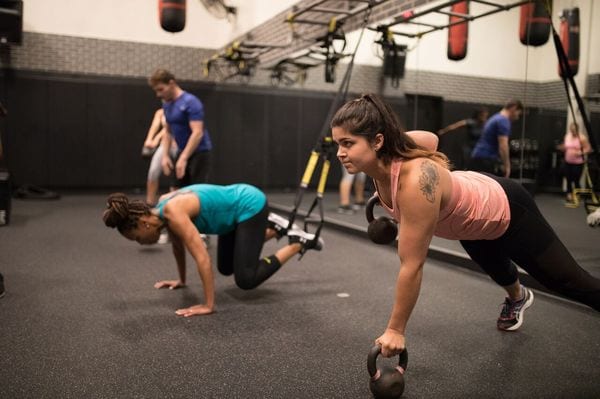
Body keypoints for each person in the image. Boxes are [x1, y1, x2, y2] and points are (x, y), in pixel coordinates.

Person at [330, 93, 600, 358]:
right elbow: (431, 139)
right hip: (467, 223)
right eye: (337, 144)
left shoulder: (415, 183)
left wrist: (395, 330)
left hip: (507, 208)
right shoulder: (383, 165)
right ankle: (517, 297)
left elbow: (412, 265)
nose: (340, 153)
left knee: (566, 281)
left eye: (348, 143)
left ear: (377, 141)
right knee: (497, 268)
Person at [102, 184, 323, 317]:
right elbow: (178, 246)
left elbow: (202, 257)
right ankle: (275, 228)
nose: (141, 244)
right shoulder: (162, 209)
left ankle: (297, 242)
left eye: (138, 239)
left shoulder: (173, 211)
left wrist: (208, 305)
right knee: (226, 267)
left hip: (249, 204)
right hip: (229, 218)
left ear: (144, 224)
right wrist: (181, 279)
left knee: (246, 278)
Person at [148, 69, 213, 188]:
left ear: (171, 83)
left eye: (161, 89)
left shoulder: (191, 102)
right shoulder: (166, 104)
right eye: (156, 91)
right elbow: (168, 132)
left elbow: (197, 133)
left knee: (195, 192)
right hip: (181, 150)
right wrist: (165, 156)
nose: (158, 94)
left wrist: (184, 158)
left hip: (199, 152)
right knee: (176, 188)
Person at [469, 100, 523, 178]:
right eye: (518, 113)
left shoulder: (496, 117)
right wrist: (507, 166)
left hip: (479, 157)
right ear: (513, 108)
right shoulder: (503, 121)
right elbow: (503, 146)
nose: (517, 117)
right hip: (486, 159)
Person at [142, 108, 178, 206]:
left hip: (178, 145)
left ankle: (175, 204)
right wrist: (149, 139)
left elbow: (168, 129)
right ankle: (149, 203)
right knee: (153, 171)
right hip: (164, 145)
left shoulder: (179, 111)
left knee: (177, 176)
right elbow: (155, 126)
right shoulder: (160, 112)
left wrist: (156, 139)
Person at [556, 122, 591, 203]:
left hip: (578, 163)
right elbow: (566, 146)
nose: (573, 132)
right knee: (568, 179)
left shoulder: (582, 137)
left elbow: (588, 148)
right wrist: (562, 148)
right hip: (568, 161)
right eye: (571, 130)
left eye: (574, 130)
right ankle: (569, 195)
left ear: (577, 129)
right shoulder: (567, 136)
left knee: (576, 179)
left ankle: (577, 195)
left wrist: (580, 153)